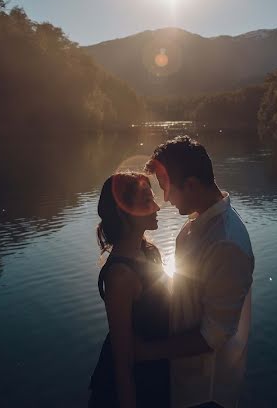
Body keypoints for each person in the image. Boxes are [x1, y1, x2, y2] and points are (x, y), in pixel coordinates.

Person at [137, 136, 254, 408]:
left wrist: (145, 352)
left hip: (206, 392)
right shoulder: (199, 221)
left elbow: (212, 336)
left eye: (167, 189)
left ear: (191, 185)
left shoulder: (226, 243)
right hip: (185, 382)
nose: (164, 199)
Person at [89, 172, 171, 408]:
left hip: (152, 376)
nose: (157, 206)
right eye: (147, 201)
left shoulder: (147, 251)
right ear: (123, 212)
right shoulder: (120, 276)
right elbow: (122, 363)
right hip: (129, 389)